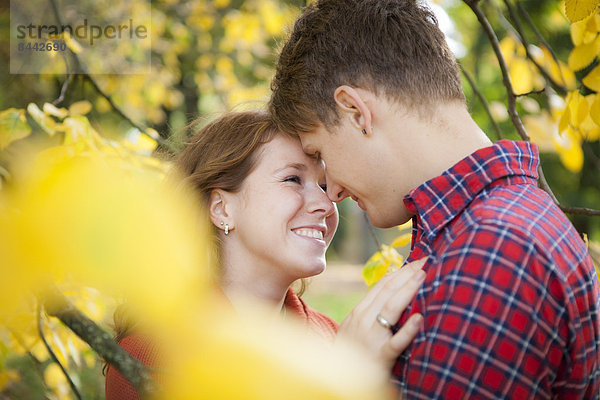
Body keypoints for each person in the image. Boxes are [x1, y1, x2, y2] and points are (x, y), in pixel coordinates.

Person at [268, 0, 600, 398]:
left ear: (356, 112)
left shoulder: (490, 254)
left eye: (320, 154)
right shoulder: (492, 226)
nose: (333, 190)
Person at [104, 110, 426, 399]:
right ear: (221, 208)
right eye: (293, 179)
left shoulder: (332, 338)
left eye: (325, 185)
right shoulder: (153, 353)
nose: (326, 204)